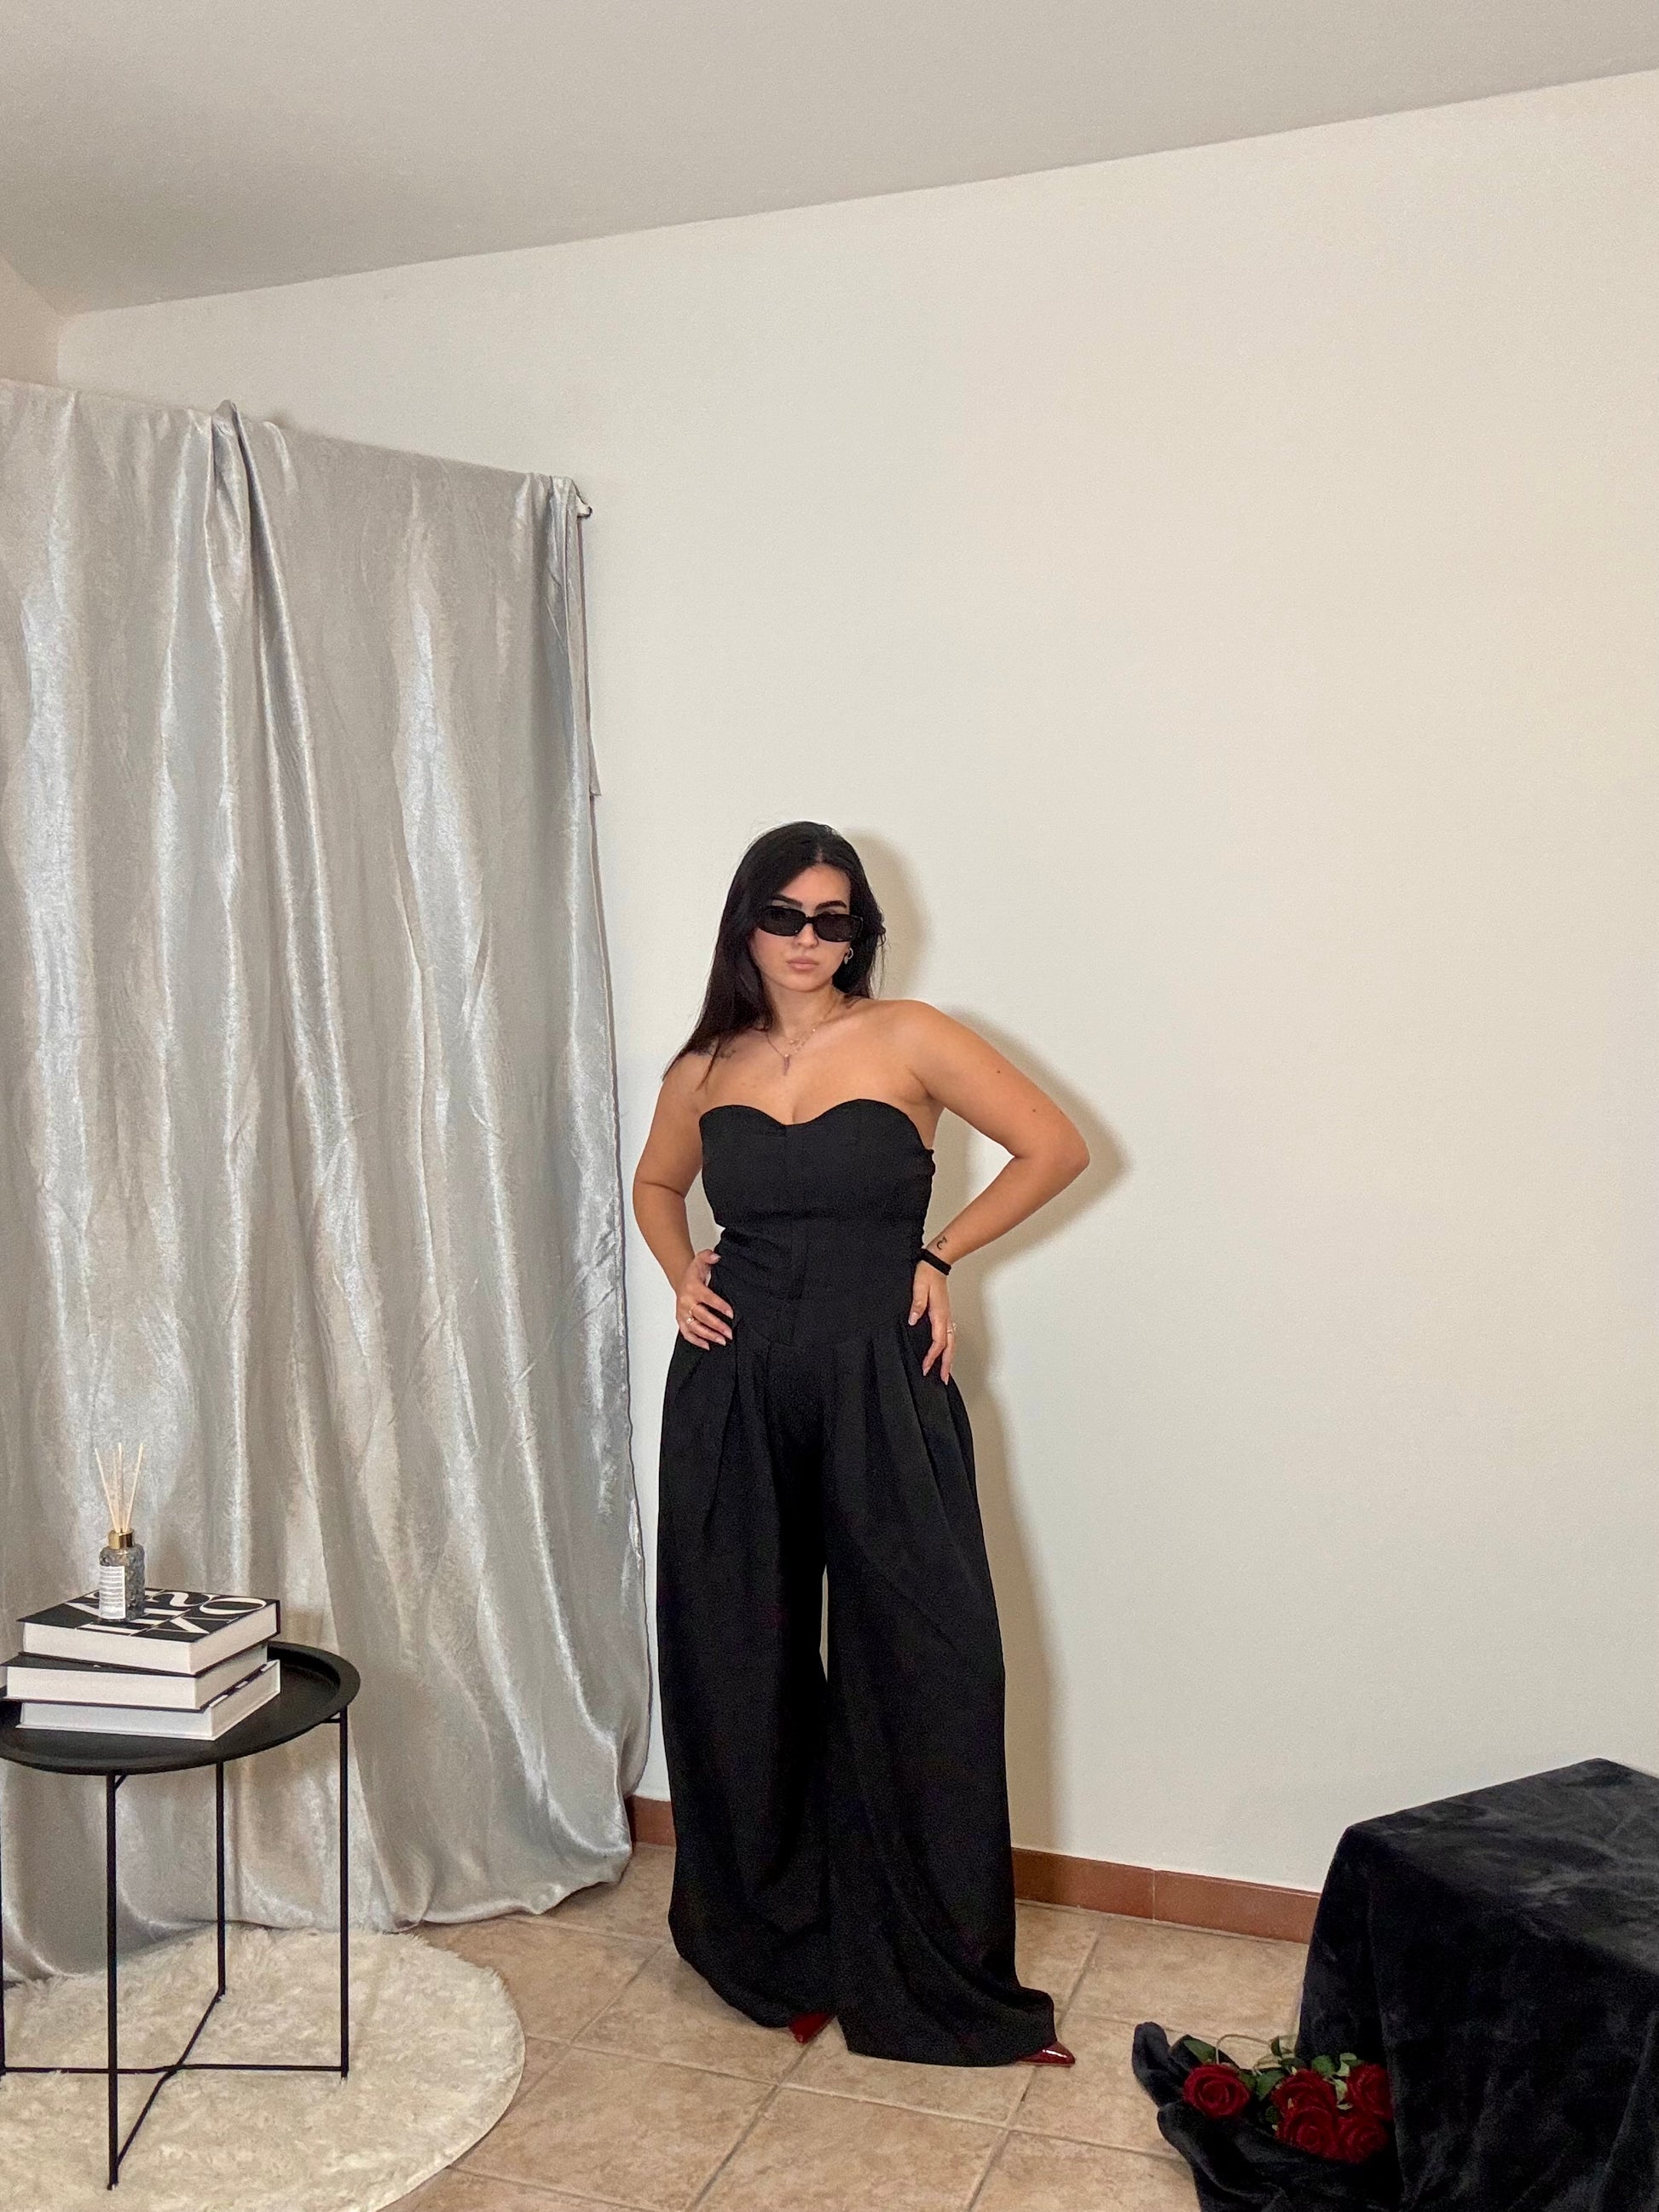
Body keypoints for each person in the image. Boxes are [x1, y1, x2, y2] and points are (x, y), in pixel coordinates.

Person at [630, 821, 1090, 2067]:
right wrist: (680, 1274)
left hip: (882, 1376)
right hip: (733, 1383)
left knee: (933, 1664)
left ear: (859, 934)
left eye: (833, 920)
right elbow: (659, 1186)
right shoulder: (704, 1067)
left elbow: (1054, 1147)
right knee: (741, 1659)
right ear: (746, 925)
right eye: (784, 915)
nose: (806, 939)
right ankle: (772, 1950)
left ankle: (939, 1979)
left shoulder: (911, 1035)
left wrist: (940, 1255)